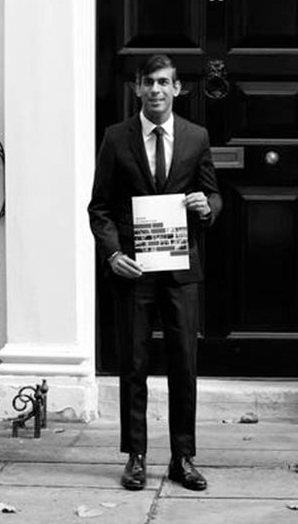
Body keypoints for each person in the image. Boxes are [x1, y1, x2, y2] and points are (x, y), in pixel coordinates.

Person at [88, 54, 222, 491]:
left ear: (177, 88)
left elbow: (213, 196)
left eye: (164, 83)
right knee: (134, 363)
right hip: (133, 270)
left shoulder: (195, 136)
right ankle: (136, 456)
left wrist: (207, 207)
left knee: (184, 363)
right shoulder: (115, 138)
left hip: (181, 270)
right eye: (148, 83)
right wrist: (111, 254)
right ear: (137, 88)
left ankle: (182, 457)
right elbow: (100, 208)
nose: (156, 90)